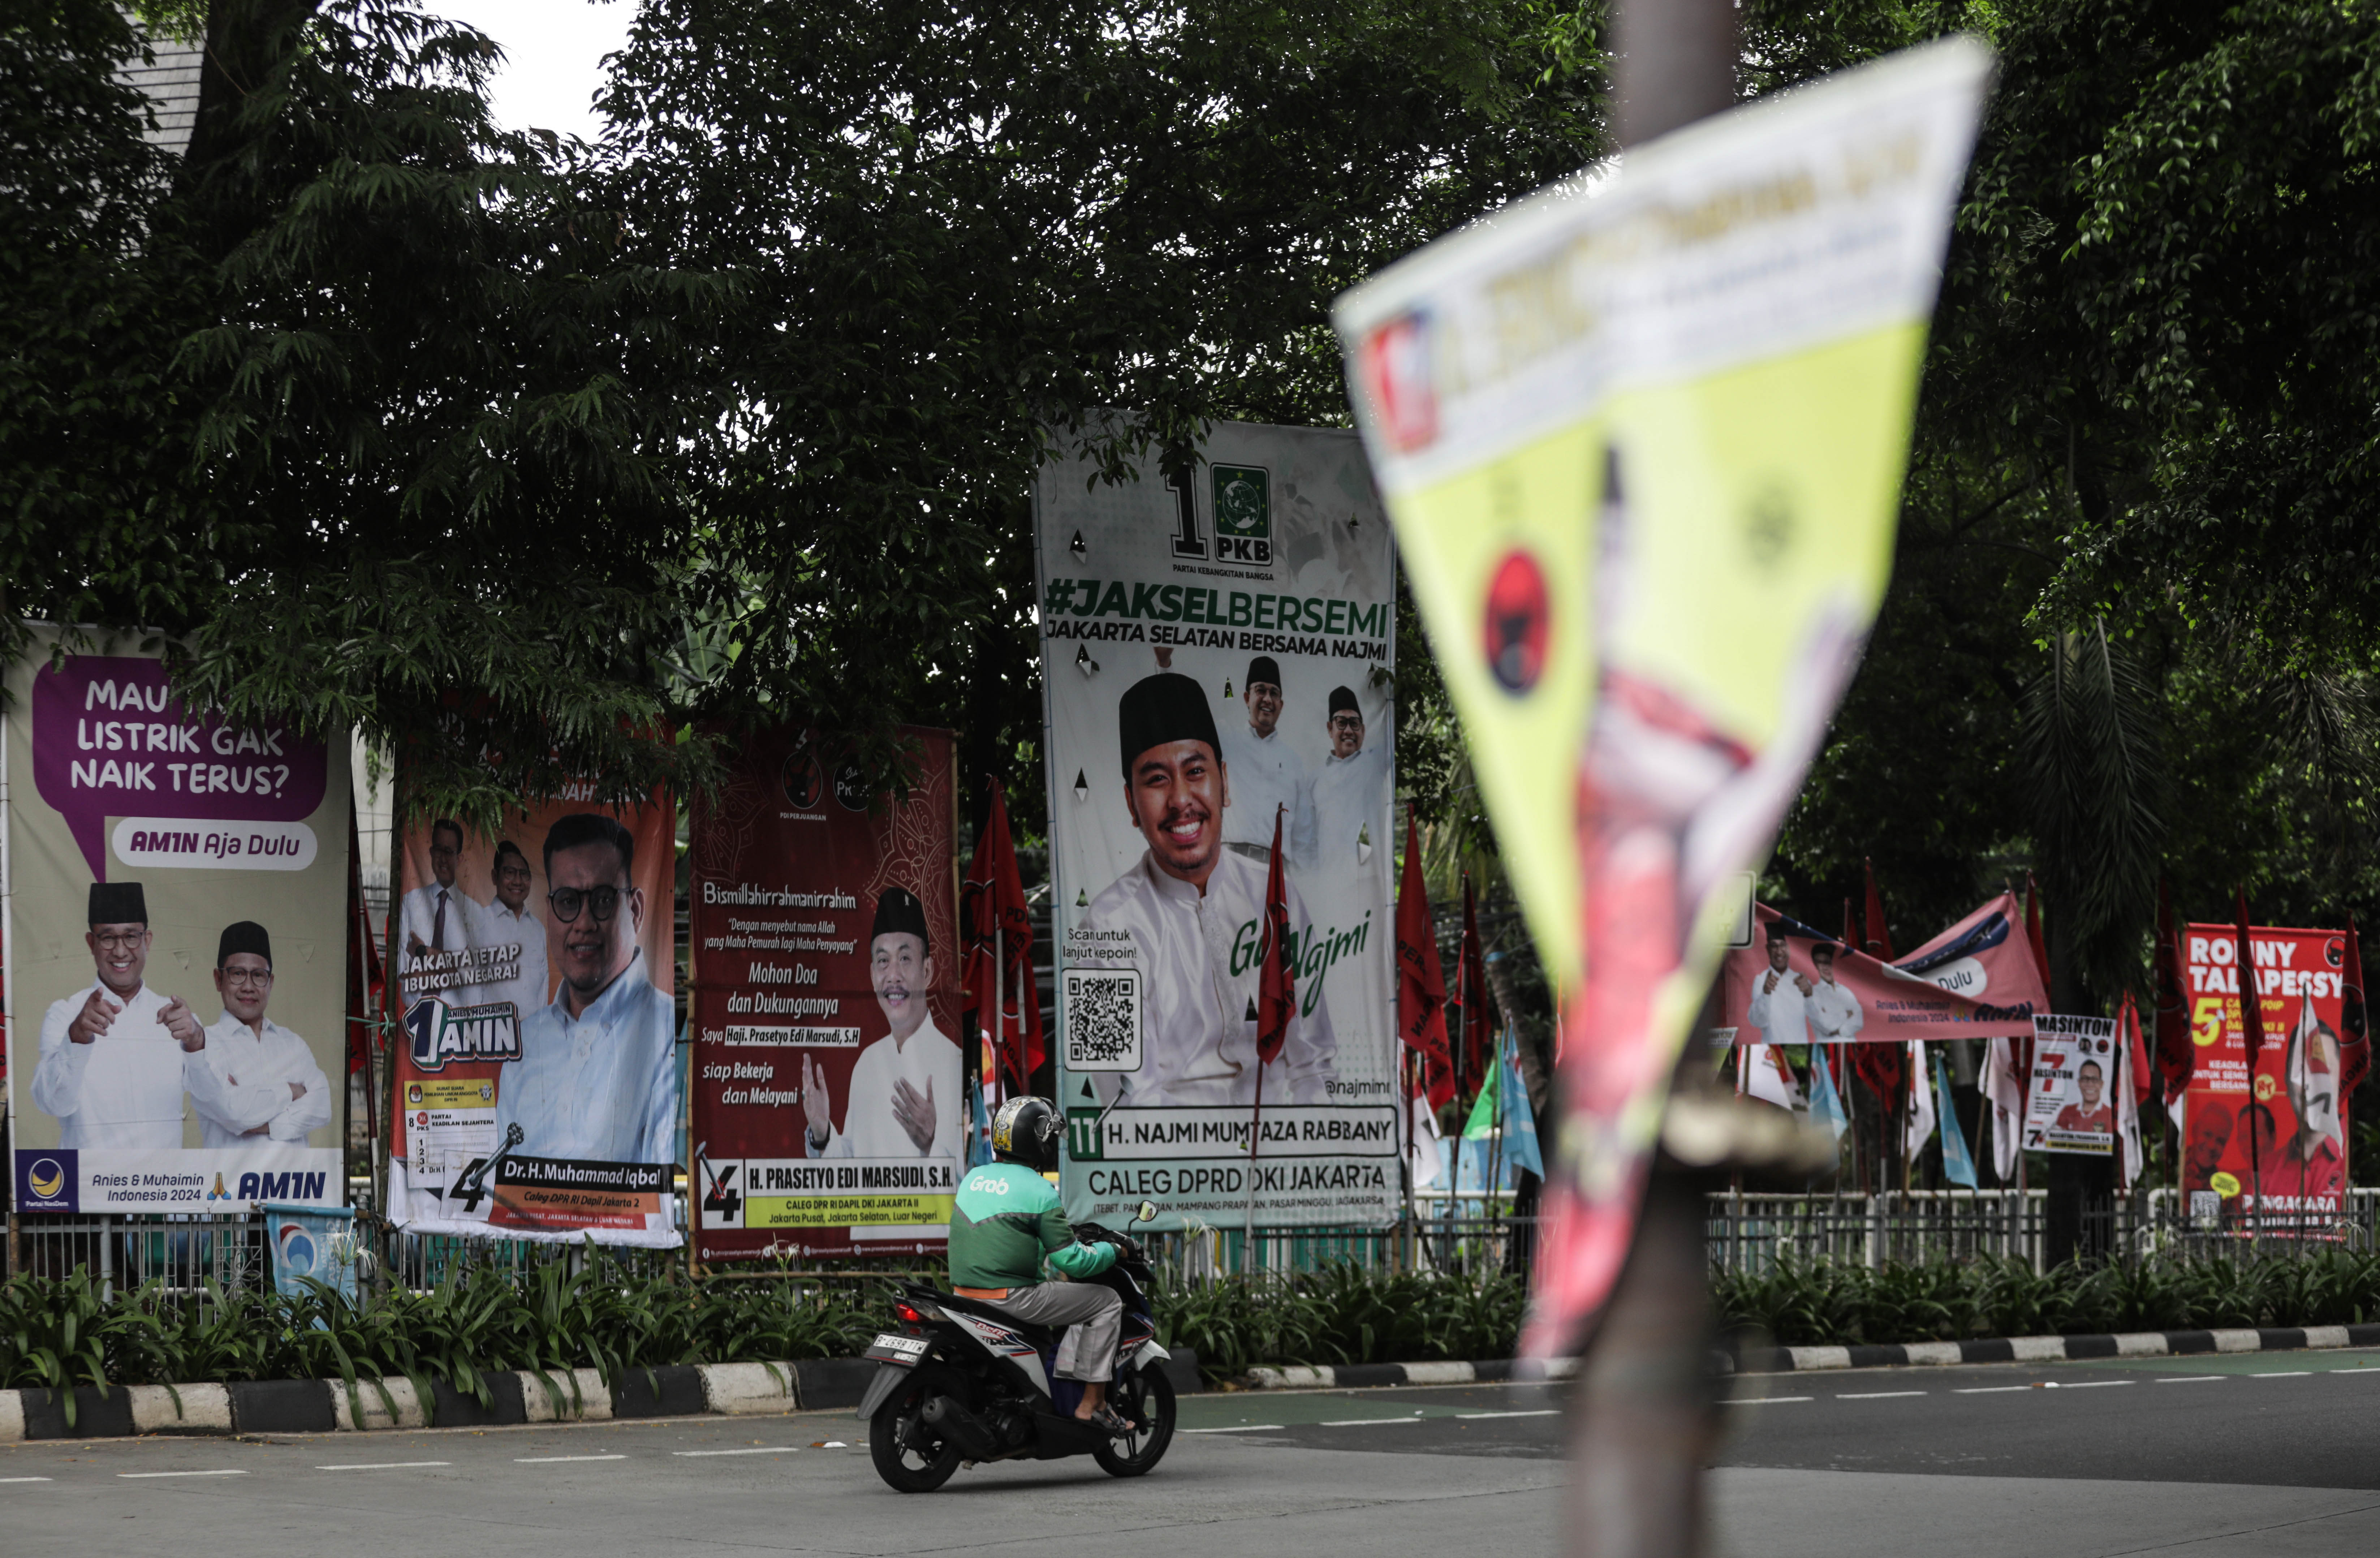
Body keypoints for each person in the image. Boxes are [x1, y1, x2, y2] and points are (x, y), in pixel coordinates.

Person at [1077, 672, 1336, 1106]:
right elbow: (1120, 1101)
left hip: (1281, 1161)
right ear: (1130, 805)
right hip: (1167, 1168)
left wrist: (1308, 1158)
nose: (1181, 799)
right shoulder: (1100, 929)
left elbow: (1315, 1063)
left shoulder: (1277, 897)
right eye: (1157, 779)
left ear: (1225, 783)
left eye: (1196, 771)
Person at [493, 813, 677, 1163]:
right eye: (567, 901)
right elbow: (502, 1181)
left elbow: (657, 1189)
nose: (584, 923)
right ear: (549, 913)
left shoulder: (665, 1030)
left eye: (604, 900)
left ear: (636, 909)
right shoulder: (525, 1042)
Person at [947, 1096, 1130, 1434]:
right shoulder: (1041, 1191)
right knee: (1107, 1301)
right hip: (1013, 1297)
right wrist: (1112, 1250)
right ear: (1038, 1142)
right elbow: (1072, 1261)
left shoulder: (973, 1178)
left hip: (963, 1295)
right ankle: (1093, 1405)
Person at [31, 882, 206, 1148]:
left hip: (160, 1185)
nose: (121, 951)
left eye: (131, 937)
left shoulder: (178, 1020)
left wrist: (197, 1044)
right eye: (108, 938)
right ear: (92, 943)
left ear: (147, 941)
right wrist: (76, 1038)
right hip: (90, 1185)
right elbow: (53, 1104)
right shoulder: (66, 1015)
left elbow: (217, 1103)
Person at [802, 886, 962, 1160]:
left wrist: (930, 1144)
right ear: (873, 975)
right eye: (884, 961)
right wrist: (823, 1134)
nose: (893, 975)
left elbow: (969, 1184)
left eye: (905, 959)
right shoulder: (867, 1063)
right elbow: (851, 1171)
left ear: (927, 970)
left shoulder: (953, 1062)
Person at [184, 921, 334, 1148]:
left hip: (292, 1183)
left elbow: (322, 1107)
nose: (248, 987)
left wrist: (264, 1123)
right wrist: (291, 1091)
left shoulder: (293, 1045)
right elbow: (234, 1114)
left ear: (271, 983)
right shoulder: (204, 1046)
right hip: (229, 1183)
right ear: (218, 979)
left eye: (258, 975)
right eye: (237, 974)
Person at [1216, 655, 1316, 867]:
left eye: (1274, 693)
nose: (1268, 699)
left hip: (1278, 876)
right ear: (1246, 698)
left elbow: (1303, 837)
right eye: (1261, 691)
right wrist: (1164, 666)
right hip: (1231, 867)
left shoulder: (1293, 762)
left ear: (1281, 704)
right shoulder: (1224, 744)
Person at [1308, 685, 1388, 876]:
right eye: (1342, 723)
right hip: (1327, 880)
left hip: (1367, 878)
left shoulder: (1372, 763)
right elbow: (1307, 839)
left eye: (1355, 723)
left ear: (1364, 729)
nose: (1349, 731)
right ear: (1330, 728)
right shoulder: (1315, 780)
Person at [464, 840, 548, 1017]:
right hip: (491, 1037)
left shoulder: (538, 929)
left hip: (531, 1037)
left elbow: (543, 988)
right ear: (495, 877)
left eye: (524, 874)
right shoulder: (478, 923)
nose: (518, 881)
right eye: (510, 873)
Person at [399, 819, 475, 1006]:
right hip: (415, 1020)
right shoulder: (411, 902)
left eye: (449, 852)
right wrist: (449, 967)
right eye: (439, 850)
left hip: (457, 1024)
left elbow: (469, 980)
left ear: (459, 859)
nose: (443, 858)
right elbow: (403, 971)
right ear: (431, 853)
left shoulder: (474, 912)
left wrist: (424, 953)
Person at [1806, 941, 1864, 1042]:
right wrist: (1846, 1015)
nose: (1825, 967)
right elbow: (1825, 1025)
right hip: (1830, 1049)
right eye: (1820, 962)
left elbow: (1859, 1021)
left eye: (1827, 962)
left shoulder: (1846, 991)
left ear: (1833, 964)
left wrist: (1839, 1029)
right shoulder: (1814, 993)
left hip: (1850, 1048)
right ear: (1815, 965)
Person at [2052, 1057, 2114, 1138]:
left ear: (2101, 1084)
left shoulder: (2110, 1114)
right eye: (2085, 1079)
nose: (2090, 1084)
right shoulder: (2066, 1112)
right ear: (2079, 1083)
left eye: (2095, 1079)